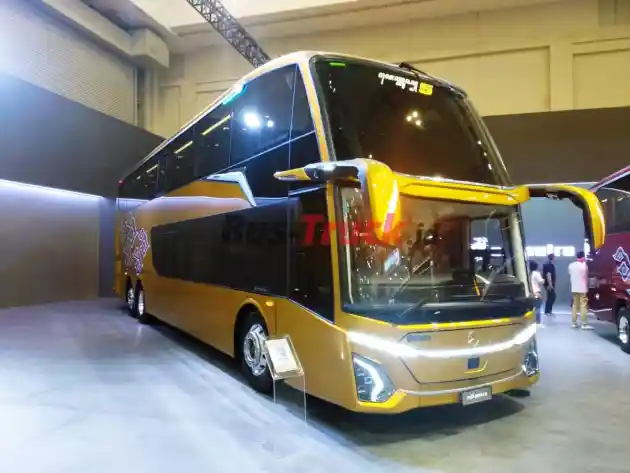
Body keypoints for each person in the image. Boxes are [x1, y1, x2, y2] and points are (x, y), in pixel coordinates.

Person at [568, 251, 592, 330]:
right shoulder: (585, 266)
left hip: (574, 288)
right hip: (583, 288)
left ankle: (574, 323)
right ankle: (584, 324)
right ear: (582, 257)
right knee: (583, 306)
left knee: (575, 305)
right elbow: (587, 276)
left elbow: (570, 274)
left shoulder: (571, 265)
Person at [530, 260, 545, 326]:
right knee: (537, 308)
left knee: (531, 308)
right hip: (536, 292)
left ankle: (531, 322)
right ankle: (537, 322)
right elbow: (541, 282)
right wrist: (543, 279)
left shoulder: (528, 273)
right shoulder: (536, 273)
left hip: (530, 292)